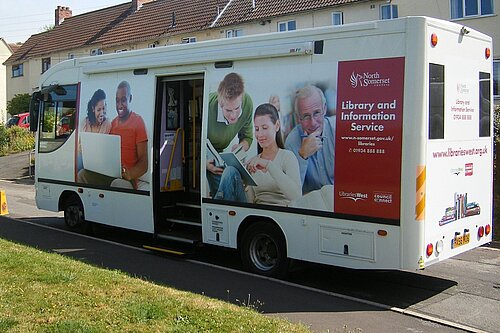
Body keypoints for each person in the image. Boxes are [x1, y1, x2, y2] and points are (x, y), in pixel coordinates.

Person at [78, 81, 148, 190]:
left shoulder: (138, 121)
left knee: (117, 184)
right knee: (82, 174)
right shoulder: (112, 124)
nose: (120, 105)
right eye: (117, 101)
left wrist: (129, 174)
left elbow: (144, 163)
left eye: (123, 100)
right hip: (108, 175)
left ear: (130, 98)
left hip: (125, 179)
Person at [206, 72, 253, 200]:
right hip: (205, 148)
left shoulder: (247, 103)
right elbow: (194, 140)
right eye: (228, 110)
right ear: (220, 102)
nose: (234, 116)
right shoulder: (208, 106)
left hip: (222, 152)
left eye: (237, 108)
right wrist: (204, 164)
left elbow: (247, 137)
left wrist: (241, 147)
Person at [245, 103, 301, 206]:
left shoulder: (287, 157)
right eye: (257, 129)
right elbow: (250, 202)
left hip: (282, 214)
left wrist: (268, 165)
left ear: (277, 126)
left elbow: (296, 196)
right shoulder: (253, 162)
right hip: (258, 215)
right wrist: (244, 183)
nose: (260, 134)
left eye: (265, 128)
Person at [285, 85, 335, 194]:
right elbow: (291, 192)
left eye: (317, 113)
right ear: (298, 118)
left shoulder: (339, 131)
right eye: (306, 116)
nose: (313, 123)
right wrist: (302, 156)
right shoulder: (291, 142)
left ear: (325, 109)